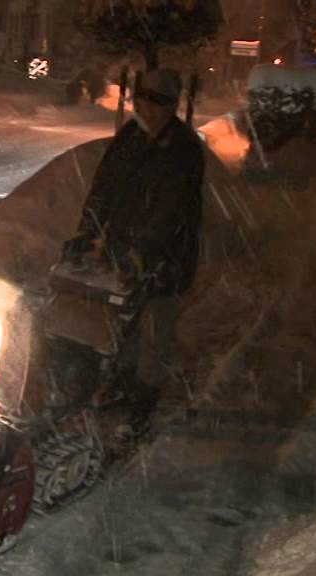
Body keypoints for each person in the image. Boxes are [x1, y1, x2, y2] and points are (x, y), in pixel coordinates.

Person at [64, 67, 205, 396]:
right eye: (142, 102)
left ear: (171, 106)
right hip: (123, 246)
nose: (147, 111)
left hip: (167, 257)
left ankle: (146, 394)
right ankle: (117, 380)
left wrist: (143, 254)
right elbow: (104, 189)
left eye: (157, 104)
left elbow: (171, 211)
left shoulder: (183, 149)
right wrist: (88, 231)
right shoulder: (130, 137)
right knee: (117, 322)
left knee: (154, 328)